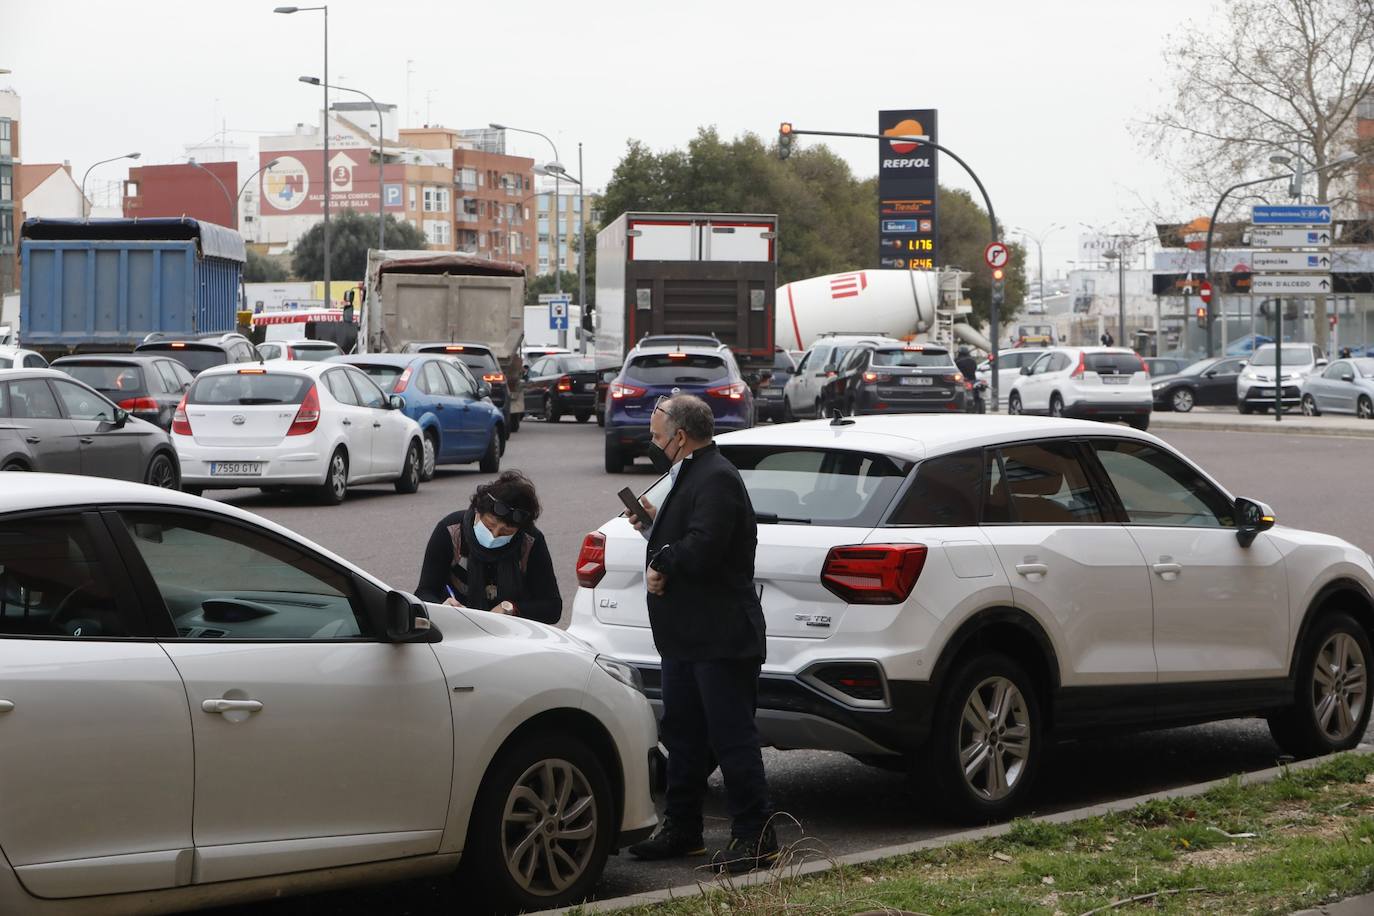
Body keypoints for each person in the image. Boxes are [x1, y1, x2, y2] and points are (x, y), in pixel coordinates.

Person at [627, 394, 776, 874]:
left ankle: (756, 836)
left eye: (656, 436)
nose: (654, 444)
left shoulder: (716, 476)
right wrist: (652, 525)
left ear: (680, 436)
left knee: (732, 739)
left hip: (721, 638)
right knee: (684, 735)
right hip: (685, 637)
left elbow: (706, 545)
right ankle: (683, 828)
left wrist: (662, 562)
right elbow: (689, 531)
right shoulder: (690, 473)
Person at [415, 470, 561, 624]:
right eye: (490, 526)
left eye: (506, 532)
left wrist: (510, 608)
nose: (495, 535)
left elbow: (552, 607)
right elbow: (424, 592)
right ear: (477, 511)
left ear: (519, 531)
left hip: (513, 630)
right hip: (458, 625)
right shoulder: (451, 531)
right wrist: (443, 607)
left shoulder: (530, 541)